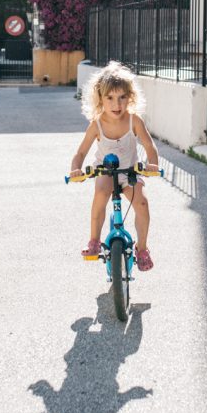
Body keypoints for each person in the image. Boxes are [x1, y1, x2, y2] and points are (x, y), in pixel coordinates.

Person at [69, 62, 160, 271]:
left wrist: (152, 163)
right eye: (109, 98)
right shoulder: (97, 124)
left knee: (142, 204)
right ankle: (94, 241)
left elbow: (149, 145)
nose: (116, 104)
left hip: (130, 173)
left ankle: (143, 248)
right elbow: (81, 152)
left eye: (122, 97)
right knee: (100, 194)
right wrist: (76, 168)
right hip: (106, 172)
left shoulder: (134, 121)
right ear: (100, 99)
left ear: (130, 97)